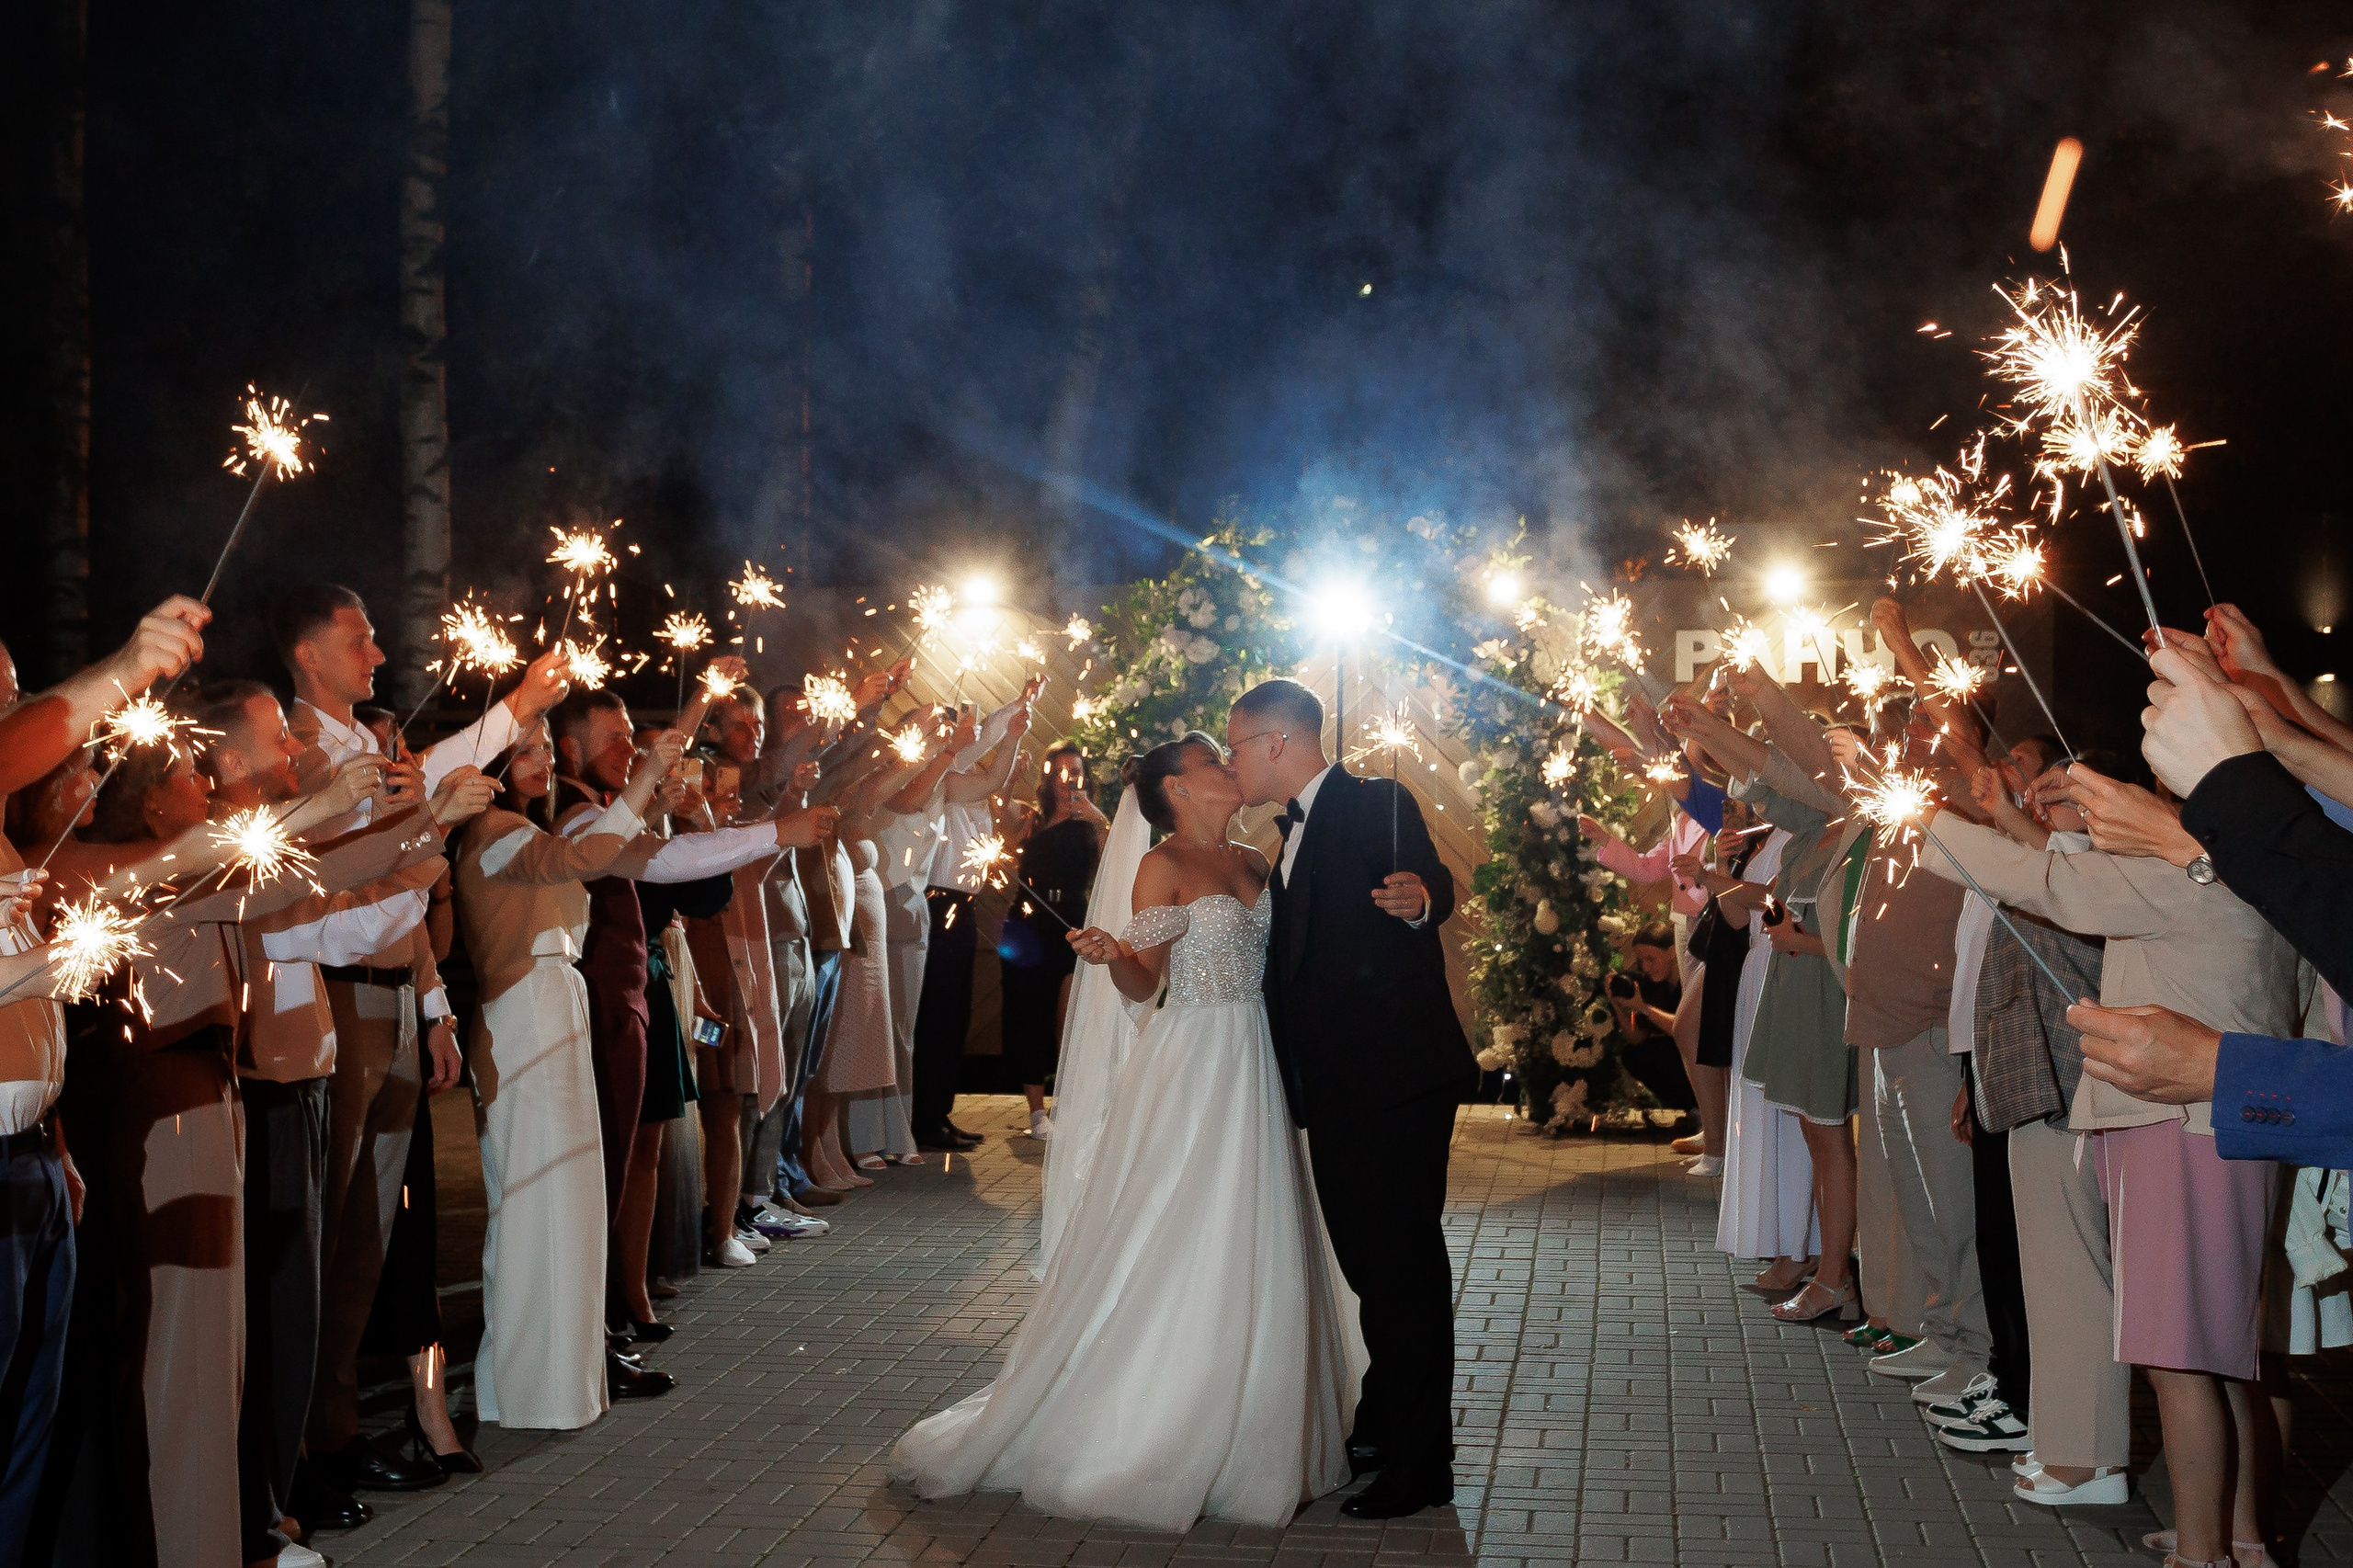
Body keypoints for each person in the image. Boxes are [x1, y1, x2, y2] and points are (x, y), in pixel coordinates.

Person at [891, 733, 1358, 1528]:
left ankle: (1256, 1418)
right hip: (1195, 1062)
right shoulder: (1162, 866)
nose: (1230, 769)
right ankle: (1154, 1421)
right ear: (1178, 786)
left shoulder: (1256, 860)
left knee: (1258, 1225)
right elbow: (1146, 983)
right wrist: (1111, 955)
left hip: (1260, 1063)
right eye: (1215, 760)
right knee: (1179, 1224)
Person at [1225, 677, 1473, 1519]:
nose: (1232, 763)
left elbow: (1431, 881)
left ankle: (1420, 1466)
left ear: (1275, 744)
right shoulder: (1281, 835)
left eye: (1236, 745)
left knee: (1401, 1267)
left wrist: (1422, 903)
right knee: (1372, 1268)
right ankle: (1381, 1423)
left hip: (1395, 1080)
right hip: (1336, 1090)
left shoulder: (1376, 800)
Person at [909, 681, 1040, 1150]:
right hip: (936, 901)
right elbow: (986, 765)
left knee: (954, 1012)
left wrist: (1014, 734)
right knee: (938, 1014)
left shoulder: (962, 776)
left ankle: (937, 1110)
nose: (967, 734)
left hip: (961, 904)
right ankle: (924, 1115)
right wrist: (1013, 720)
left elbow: (994, 782)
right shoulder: (938, 771)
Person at [999, 742, 1108, 1142]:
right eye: (1061, 773)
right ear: (1048, 778)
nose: (1070, 781)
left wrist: (1098, 819)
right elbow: (1002, 825)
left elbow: (1114, 859)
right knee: (1027, 1013)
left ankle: (1073, 1100)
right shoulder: (1033, 818)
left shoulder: (1090, 823)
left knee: (1071, 1015)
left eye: (1076, 773)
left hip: (1071, 921)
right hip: (1028, 924)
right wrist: (1011, 775)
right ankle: (1036, 1113)